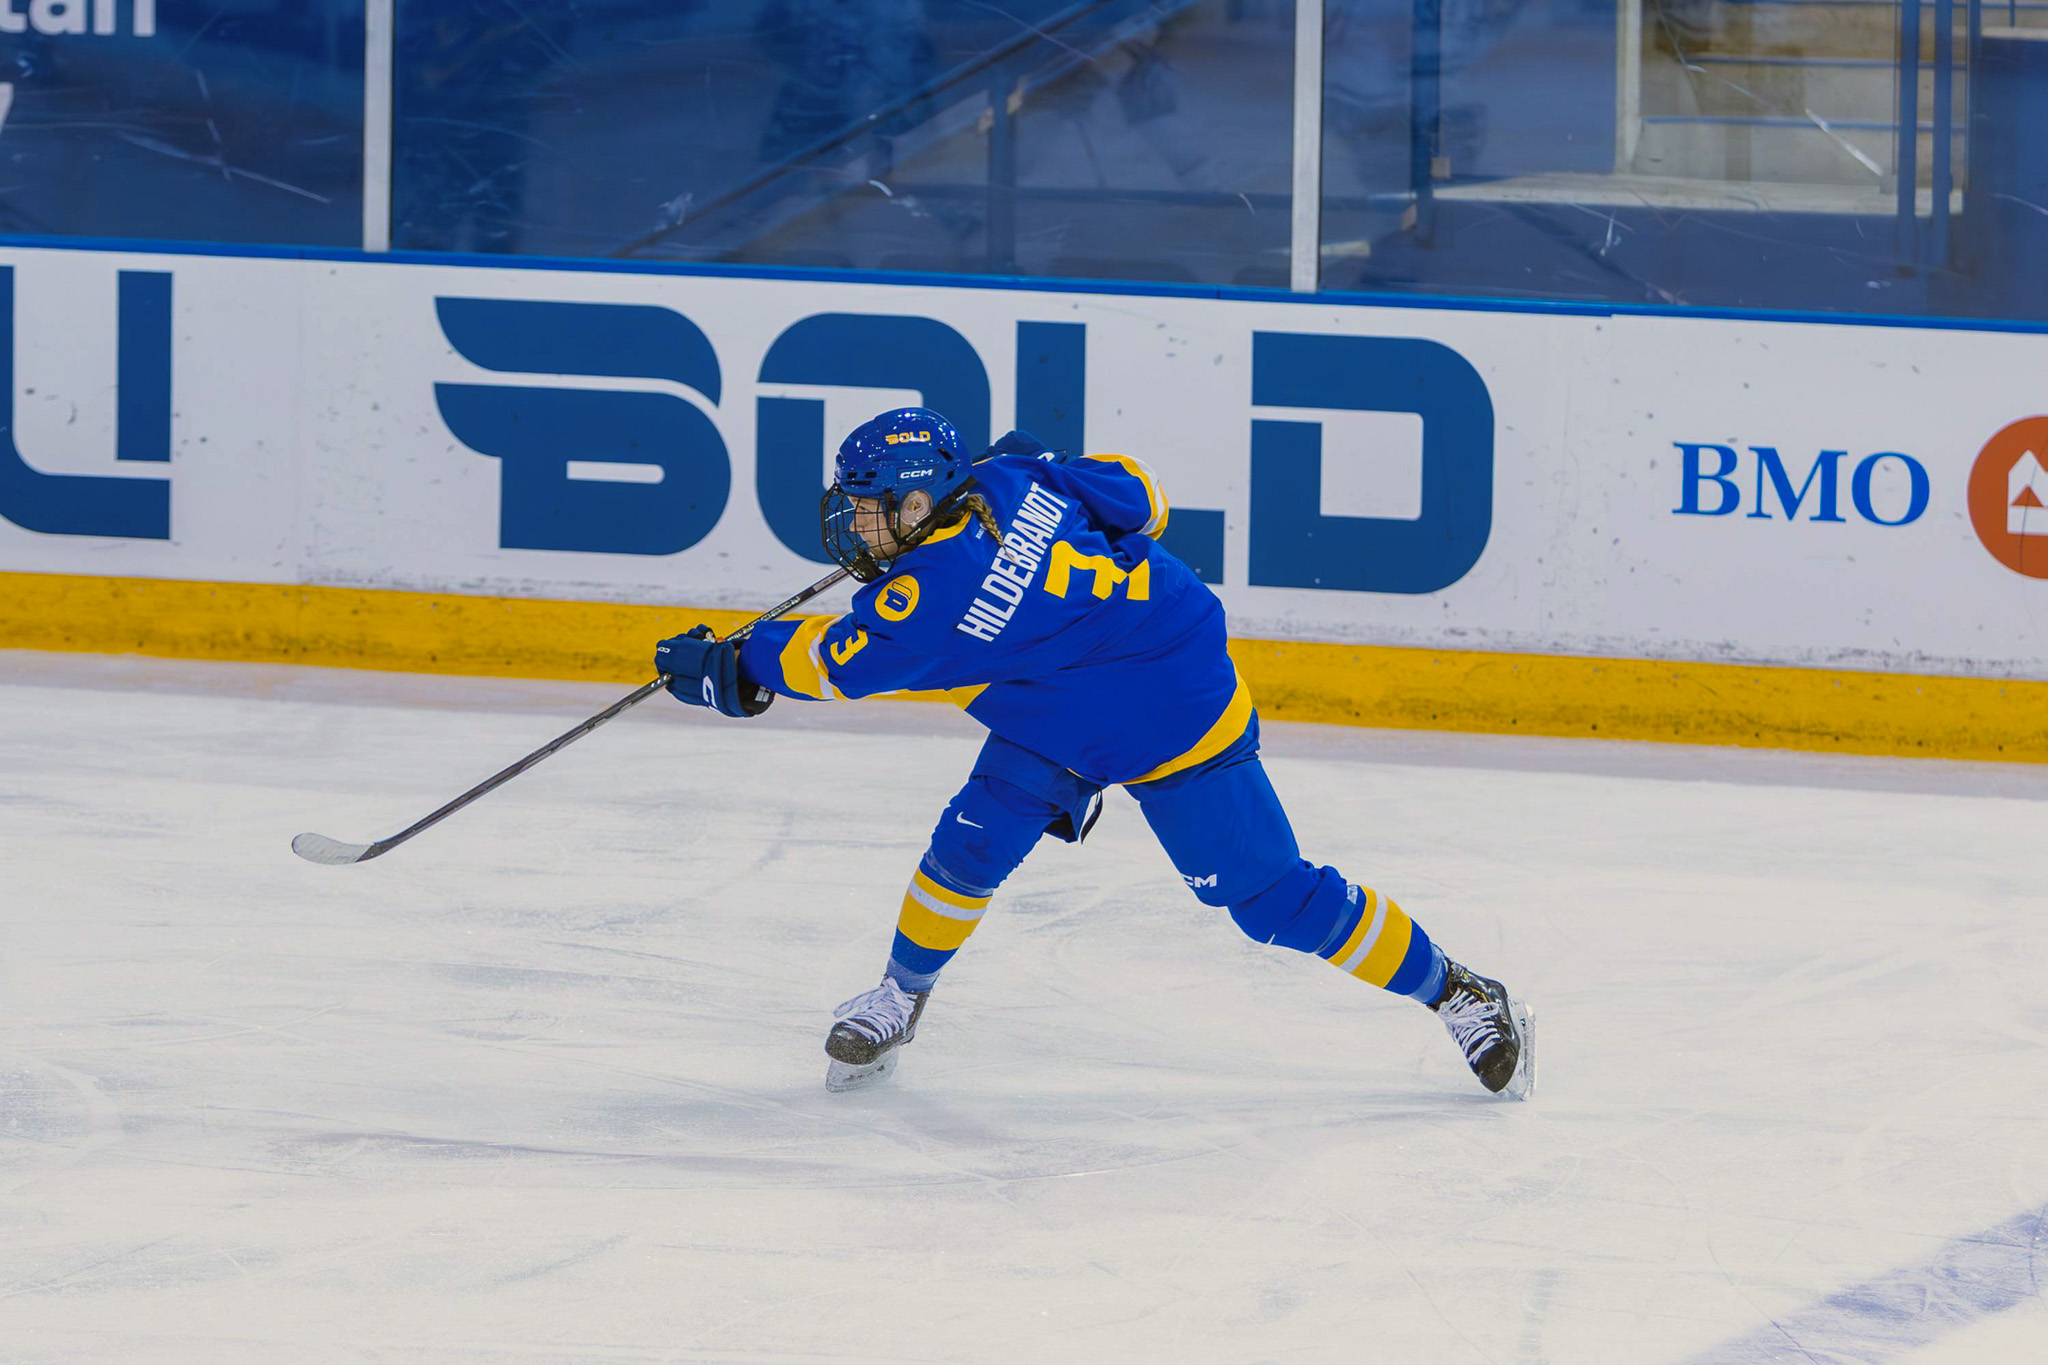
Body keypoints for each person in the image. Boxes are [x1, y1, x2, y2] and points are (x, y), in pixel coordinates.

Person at [653, 408, 1535, 1099]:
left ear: (921, 503)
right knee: (971, 843)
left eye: (873, 506)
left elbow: (830, 665)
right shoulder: (1008, 478)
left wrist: (731, 668)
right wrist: (1049, 478)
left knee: (1271, 899)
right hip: (1065, 705)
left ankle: (1460, 991)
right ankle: (900, 994)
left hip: (1171, 712)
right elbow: (1143, 499)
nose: (858, 524)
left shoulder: (927, 596)